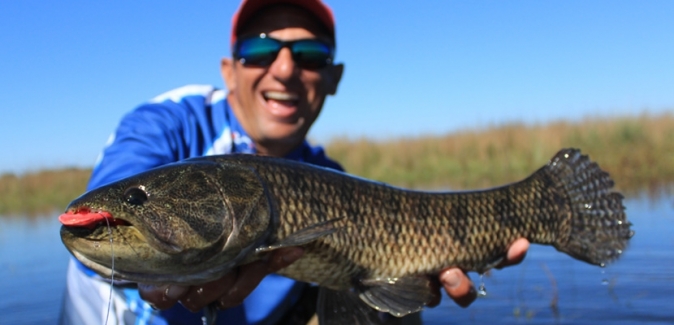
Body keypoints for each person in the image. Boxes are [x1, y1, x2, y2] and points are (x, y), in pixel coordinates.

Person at [60, 0, 530, 324]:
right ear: (229, 70)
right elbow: (118, 186)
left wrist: (408, 283)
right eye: (260, 50)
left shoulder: (330, 178)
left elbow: (386, 286)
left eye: (308, 54)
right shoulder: (170, 122)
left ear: (332, 78)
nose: (284, 68)